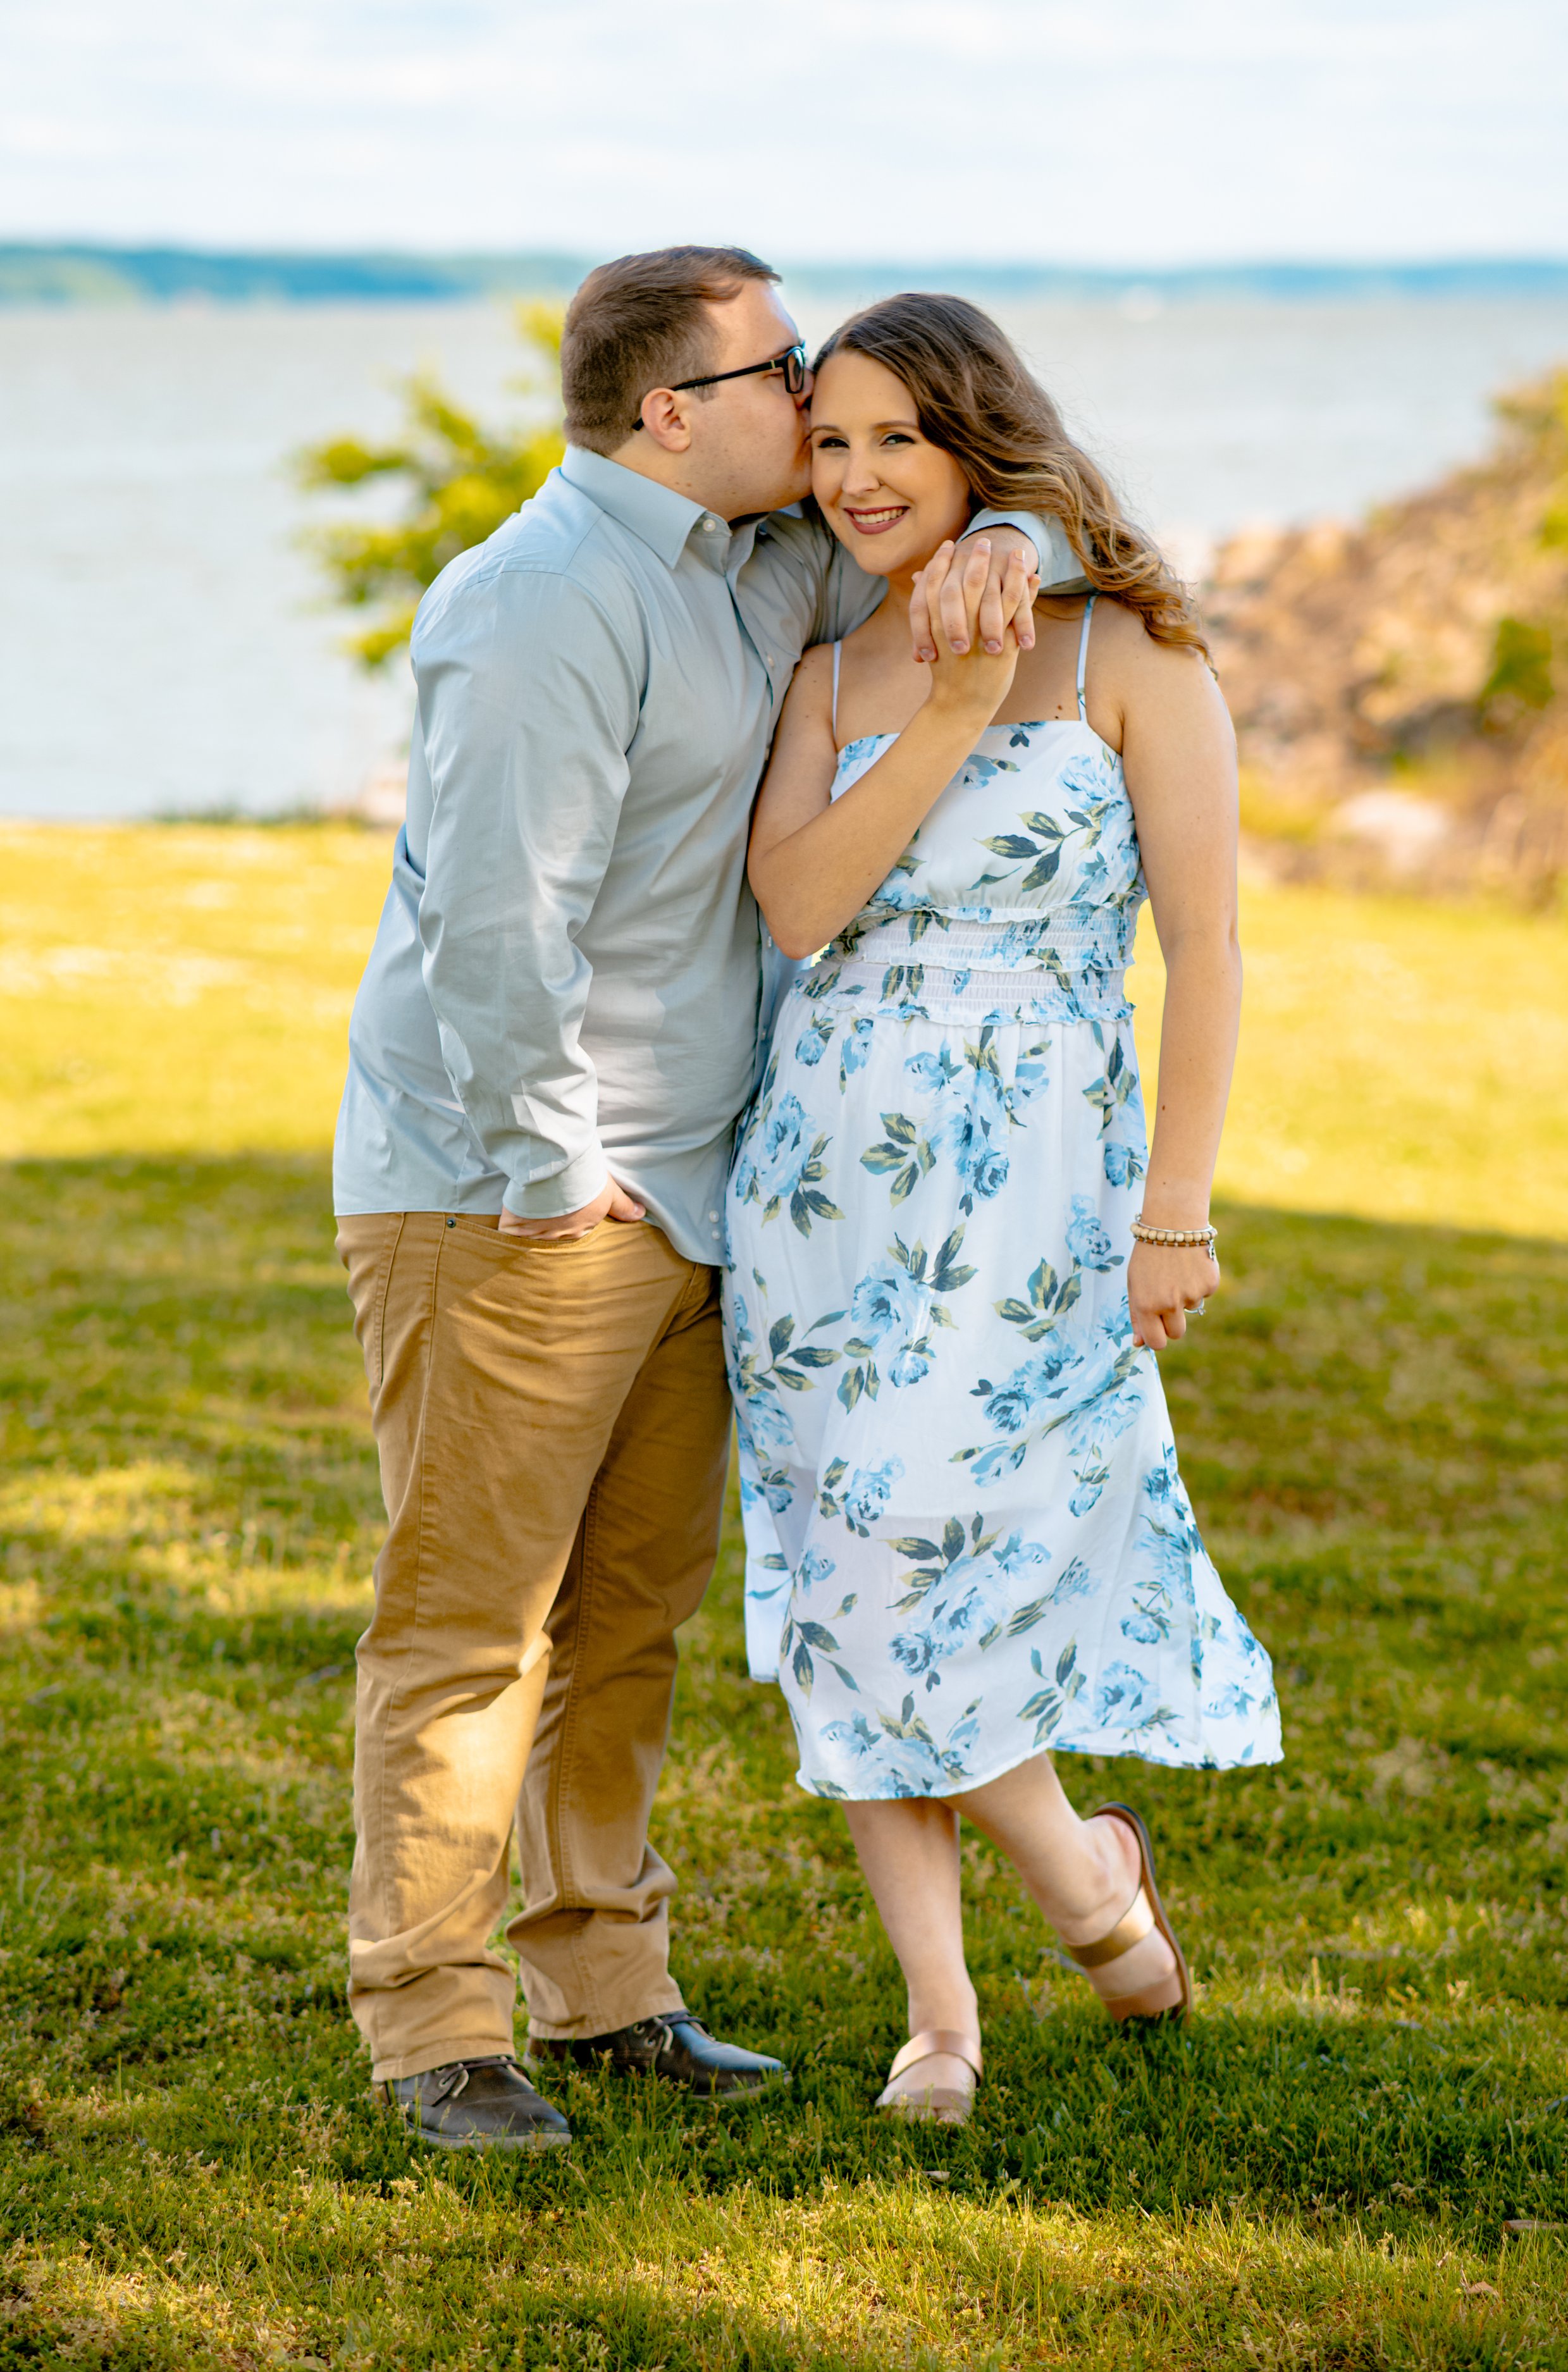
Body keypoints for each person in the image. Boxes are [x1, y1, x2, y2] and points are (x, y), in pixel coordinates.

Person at [331, 247, 1074, 2152]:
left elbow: (975, 509)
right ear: (673, 411)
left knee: (633, 1613)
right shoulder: (535, 607)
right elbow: (499, 929)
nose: (816, 406)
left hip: (698, 1184)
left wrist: (1012, 542)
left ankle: (603, 1987)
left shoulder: (762, 561)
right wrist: (550, 1177)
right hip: (519, 1192)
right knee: (471, 1622)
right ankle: (433, 2025)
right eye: (783, 372)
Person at [725, 293, 1283, 2128]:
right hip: (819, 1196)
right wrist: (948, 701)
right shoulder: (826, 672)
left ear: (978, 441)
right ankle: (947, 2010)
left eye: (898, 437)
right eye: (830, 442)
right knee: (848, 1570)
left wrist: (1175, 1215)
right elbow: (800, 914)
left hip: (1035, 1192)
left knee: (923, 1551)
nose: (860, 476)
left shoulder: (1128, 649)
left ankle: (1079, 1882)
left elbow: (1201, 951)